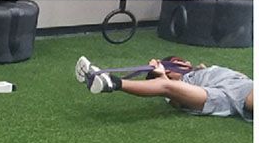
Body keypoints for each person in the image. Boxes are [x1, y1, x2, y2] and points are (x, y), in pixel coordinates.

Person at [75, 55, 254, 121]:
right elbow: (173, 96)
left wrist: (202, 69)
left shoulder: (199, 71)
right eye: (178, 62)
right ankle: (111, 82)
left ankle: (107, 81)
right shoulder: (179, 84)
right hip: (223, 94)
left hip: (239, 84)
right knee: (167, 86)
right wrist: (160, 73)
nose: (186, 63)